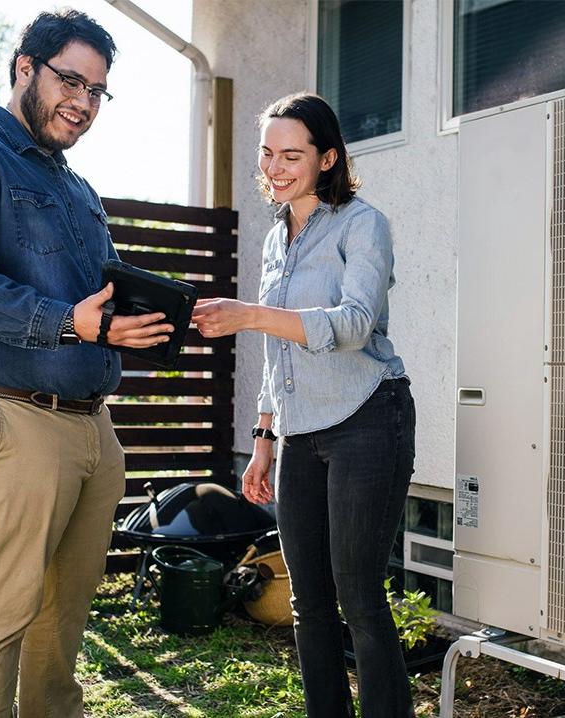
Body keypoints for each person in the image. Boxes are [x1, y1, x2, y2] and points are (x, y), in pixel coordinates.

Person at [0, 10, 173, 717]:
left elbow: (85, 306)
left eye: (97, 91)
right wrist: (65, 322)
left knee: (60, 628)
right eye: (70, 80)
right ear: (25, 67)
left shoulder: (75, 188)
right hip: (0, 419)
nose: (82, 102)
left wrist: (123, 325)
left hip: (87, 429)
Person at [192, 93, 416, 718]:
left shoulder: (362, 224)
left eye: (292, 154)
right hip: (298, 433)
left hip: (368, 416)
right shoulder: (275, 238)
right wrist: (263, 437)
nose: (276, 167)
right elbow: (277, 352)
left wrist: (251, 313)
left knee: (360, 595)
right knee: (308, 601)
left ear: (328, 158)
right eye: (268, 153)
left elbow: (353, 324)